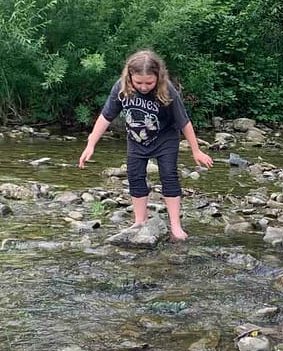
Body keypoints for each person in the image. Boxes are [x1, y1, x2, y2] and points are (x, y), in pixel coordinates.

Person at [78, 50, 214, 240]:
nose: (143, 87)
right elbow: (106, 116)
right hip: (137, 139)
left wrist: (196, 150)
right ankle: (140, 220)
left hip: (165, 137)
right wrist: (91, 144)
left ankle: (175, 225)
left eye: (149, 83)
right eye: (139, 82)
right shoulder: (121, 88)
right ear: (130, 76)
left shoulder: (167, 89)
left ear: (158, 77)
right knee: (135, 176)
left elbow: (184, 121)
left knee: (169, 175)